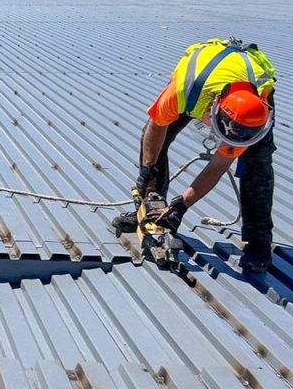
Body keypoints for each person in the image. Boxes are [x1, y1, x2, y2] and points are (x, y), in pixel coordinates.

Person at [112, 38, 277, 273]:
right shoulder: (184, 91)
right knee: (156, 142)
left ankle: (258, 242)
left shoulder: (253, 120)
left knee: (257, 162)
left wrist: (182, 206)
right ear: (214, 109)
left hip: (250, 97)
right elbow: (156, 126)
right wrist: (148, 170)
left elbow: (219, 165)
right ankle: (151, 212)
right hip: (204, 81)